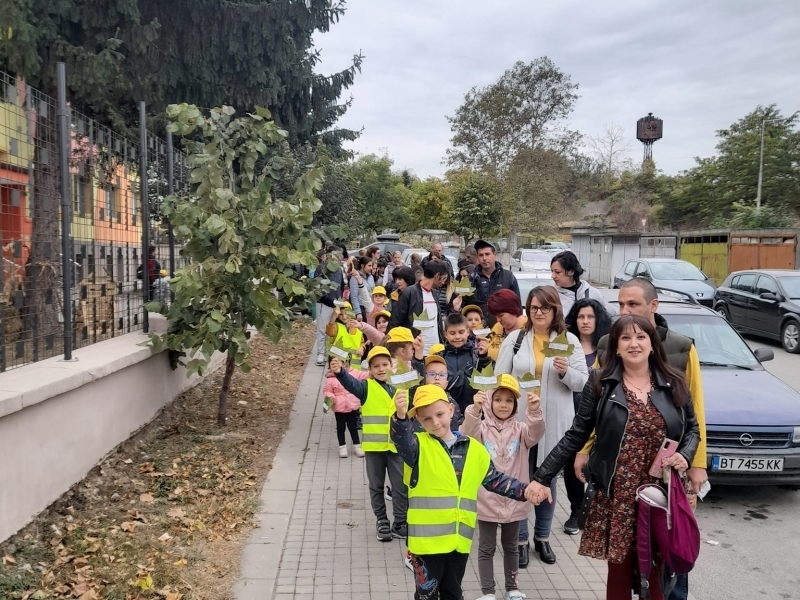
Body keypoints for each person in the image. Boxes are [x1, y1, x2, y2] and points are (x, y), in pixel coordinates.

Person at [528, 315, 700, 600]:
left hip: (660, 494)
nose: (634, 344)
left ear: (652, 344)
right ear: (616, 348)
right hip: (617, 494)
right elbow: (576, 434)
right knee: (619, 572)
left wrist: (685, 454)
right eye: (626, 338)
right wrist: (542, 477)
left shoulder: (673, 382)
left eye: (641, 337)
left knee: (658, 569)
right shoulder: (600, 383)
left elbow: (692, 428)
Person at [574, 277, 708, 600]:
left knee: (666, 562)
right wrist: (585, 449)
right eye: (620, 305)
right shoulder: (609, 344)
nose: (624, 311)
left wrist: (694, 463)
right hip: (619, 488)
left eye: (632, 304)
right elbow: (599, 413)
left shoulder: (681, 347)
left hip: (662, 485)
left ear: (653, 306)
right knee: (620, 568)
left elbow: (694, 418)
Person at [390, 385, 537, 600]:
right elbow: (401, 440)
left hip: (458, 542)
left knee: (453, 592)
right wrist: (400, 417)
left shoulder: (475, 449)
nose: (435, 422)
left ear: (451, 410)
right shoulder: (417, 447)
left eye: (439, 414)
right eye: (426, 419)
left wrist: (526, 490)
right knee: (426, 595)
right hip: (425, 546)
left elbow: (495, 480)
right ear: (419, 422)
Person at [495, 286, 588, 567]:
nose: (538, 313)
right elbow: (500, 379)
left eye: (544, 308)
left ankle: (542, 538)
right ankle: (521, 541)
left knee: (547, 480)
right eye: (533, 308)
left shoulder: (568, 340)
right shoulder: (515, 339)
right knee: (521, 480)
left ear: (555, 310)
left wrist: (564, 371)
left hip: (555, 424)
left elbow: (584, 382)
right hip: (521, 423)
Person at [461, 375, 545, 600]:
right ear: (489, 401)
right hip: (487, 498)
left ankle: (512, 588)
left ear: (516, 405)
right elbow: (466, 435)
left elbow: (536, 435)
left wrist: (535, 412)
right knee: (486, 547)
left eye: (509, 400)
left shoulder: (520, 429)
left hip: (515, 500)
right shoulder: (482, 428)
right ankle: (488, 592)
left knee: (511, 546)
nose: (503, 404)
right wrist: (474, 410)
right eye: (497, 399)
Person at [333, 347, 408, 542]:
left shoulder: (401, 386)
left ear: (392, 366)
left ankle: (400, 522)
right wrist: (340, 372)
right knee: (376, 486)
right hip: (374, 449)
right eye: (376, 366)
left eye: (384, 364)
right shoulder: (366, 387)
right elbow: (351, 384)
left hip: (397, 447)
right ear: (371, 369)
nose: (381, 369)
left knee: (400, 486)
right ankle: (382, 520)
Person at [562, 298, 612, 534]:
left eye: (590, 317)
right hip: (573, 417)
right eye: (581, 316)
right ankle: (576, 510)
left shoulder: (607, 349)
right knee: (573, 465)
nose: (585, 321)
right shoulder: (566, 346)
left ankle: (597, 511)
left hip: (602, 419)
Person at [389, 260, 450, 355]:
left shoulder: (434, 293)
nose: (443, 282)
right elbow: (395, 322)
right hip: (416, 352)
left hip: (436, 351)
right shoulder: (409, 293)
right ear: (437, 276)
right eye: (444, 278)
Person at [435, 312, 491, 413]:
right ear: (445, 334)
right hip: (448, 412)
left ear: (468, 332)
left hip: (474, 410)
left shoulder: (476, 355)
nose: (457, 337)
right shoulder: (439, 357)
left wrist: (483, 358)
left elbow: (487, 381)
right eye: (452, 333)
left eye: (461, 332)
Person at [467, 240, 520, 327]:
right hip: (477, 332)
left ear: (495, 255)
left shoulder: (508, 277)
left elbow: (517, 306)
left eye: (487, 254)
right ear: (477, 257)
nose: (484, 258)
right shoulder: (470, 279)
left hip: (503, 330)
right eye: (481, 255)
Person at [323, 356, 365, 458]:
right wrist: (331, 397)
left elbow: (362, 375)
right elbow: (327, 391)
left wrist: (372, 373)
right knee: (340, 428)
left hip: (351, 406)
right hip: (339, 408)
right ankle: (342, 447)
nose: (340, 364)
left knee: (353, 427)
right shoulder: (330, 379)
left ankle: (357, 446)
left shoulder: (353, 373)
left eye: (341, 361)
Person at [550, 251, 613, 316]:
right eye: (552, 271)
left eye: (557, 272)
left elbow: (604, 320)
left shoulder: (593, 294)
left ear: (571, 271)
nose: (553, 276)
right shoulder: (551, 296)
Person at [314, 246, 346, 366]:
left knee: (333, 329)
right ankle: (320, 354)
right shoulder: (321, 268)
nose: (338, 258)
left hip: (336, 304)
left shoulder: (338, 269)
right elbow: (318, 288)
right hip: (324, 303)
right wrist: (330, 301)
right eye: (336, 255)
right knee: (322, 329)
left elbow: (341, 286)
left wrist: (339, 300)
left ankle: (331, 353)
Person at [483, 289, 527, 363]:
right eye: (496, 316)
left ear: (512, 309)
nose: (498, 320)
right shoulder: (497, 327)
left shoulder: (530, 328)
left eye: (501, 315)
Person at [349, 256, 375, 321]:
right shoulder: (355, 278)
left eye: (371, 266)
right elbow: (354, 296)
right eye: (369, 266)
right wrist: (358, 312)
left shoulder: (370, 276)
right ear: (362, 266)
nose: (371, 268)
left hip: (370, 306)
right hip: (361, 307)